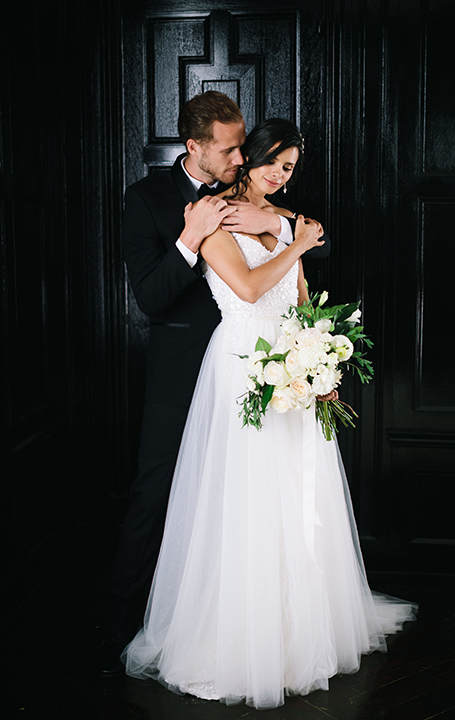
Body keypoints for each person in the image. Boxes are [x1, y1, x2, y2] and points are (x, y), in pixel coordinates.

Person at [122, 118, 417, 709]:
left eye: (289, 168)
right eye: (270, 163)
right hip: (240, 367)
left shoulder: (286, 219)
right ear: (245, 158)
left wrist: (321, 358)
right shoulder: (213, 217)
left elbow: (301, 294)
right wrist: (299, 240)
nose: (279, 175)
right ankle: (238, 637)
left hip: (290, 368)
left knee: (293, 494)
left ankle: (296, 625)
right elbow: (252, 290)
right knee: (243, 497)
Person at [101, 92, 331, 676]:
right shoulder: (147, 199)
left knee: (245, 499)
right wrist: (189, 237)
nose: (239, 156)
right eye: (229, 149)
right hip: (184, 371)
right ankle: (124, 633)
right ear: (194, 147)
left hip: (255, 366)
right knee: (156, 492)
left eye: (242, 145)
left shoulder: (256, 201)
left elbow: (298, 239)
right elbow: (150, 299)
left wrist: (276, 220)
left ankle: (248, 623)